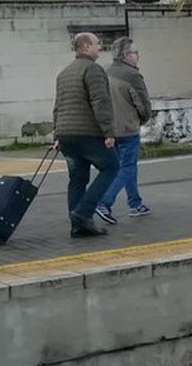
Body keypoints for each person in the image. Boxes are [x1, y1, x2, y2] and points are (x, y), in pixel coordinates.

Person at [53, 32, 120, 237]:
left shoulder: (64, 73)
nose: (100, 47)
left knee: (78, 178)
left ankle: (78, 225)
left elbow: (58, 107)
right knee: (111, 166)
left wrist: (57, 136)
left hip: (66, 135)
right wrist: (108, 132)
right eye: (97, 44)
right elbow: (100, 102)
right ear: (85, 47)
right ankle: (83, 213)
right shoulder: (93, 70)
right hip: (86, 133)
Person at [96, 37, 152, 223]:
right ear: (126, 55)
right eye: (135, 52)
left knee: (126, 167)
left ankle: (135, 203)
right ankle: (104, 202)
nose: (138, 56)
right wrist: (143, 119)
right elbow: (143, 104)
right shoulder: (132, 76)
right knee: (126, 167)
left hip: (109, 130)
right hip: (127, 128)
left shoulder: (104, 72)